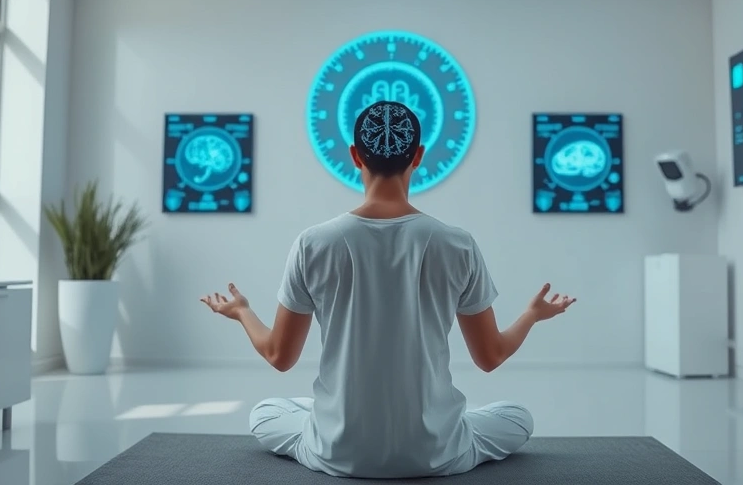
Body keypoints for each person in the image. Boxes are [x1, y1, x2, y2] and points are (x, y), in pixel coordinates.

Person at [200, 100, 576, 479]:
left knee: (265, 412)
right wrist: (532, 315)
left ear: (354, 156)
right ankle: (439, 418)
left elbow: (279, 356)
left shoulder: (312, 243)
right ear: (418, 156)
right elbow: (490, 356)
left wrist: (242, 311)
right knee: (516, 417)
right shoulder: (457, 243)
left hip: (336, 452)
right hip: (436, 453)